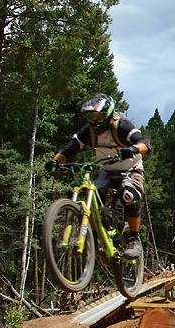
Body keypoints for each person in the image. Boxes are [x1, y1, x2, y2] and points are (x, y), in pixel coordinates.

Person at [45, 93, 152, 259]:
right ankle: (102, 235)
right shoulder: (89, 131)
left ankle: (134, 238)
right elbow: (70, 147)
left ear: (108, 113)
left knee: (128, 195)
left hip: (131, 169)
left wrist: (133, 149)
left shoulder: (121, 125)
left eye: (98, 115)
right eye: (91, 116)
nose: (95, 119)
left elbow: (145, 142)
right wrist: (55, 161)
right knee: (93, 196)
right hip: (107, 171)